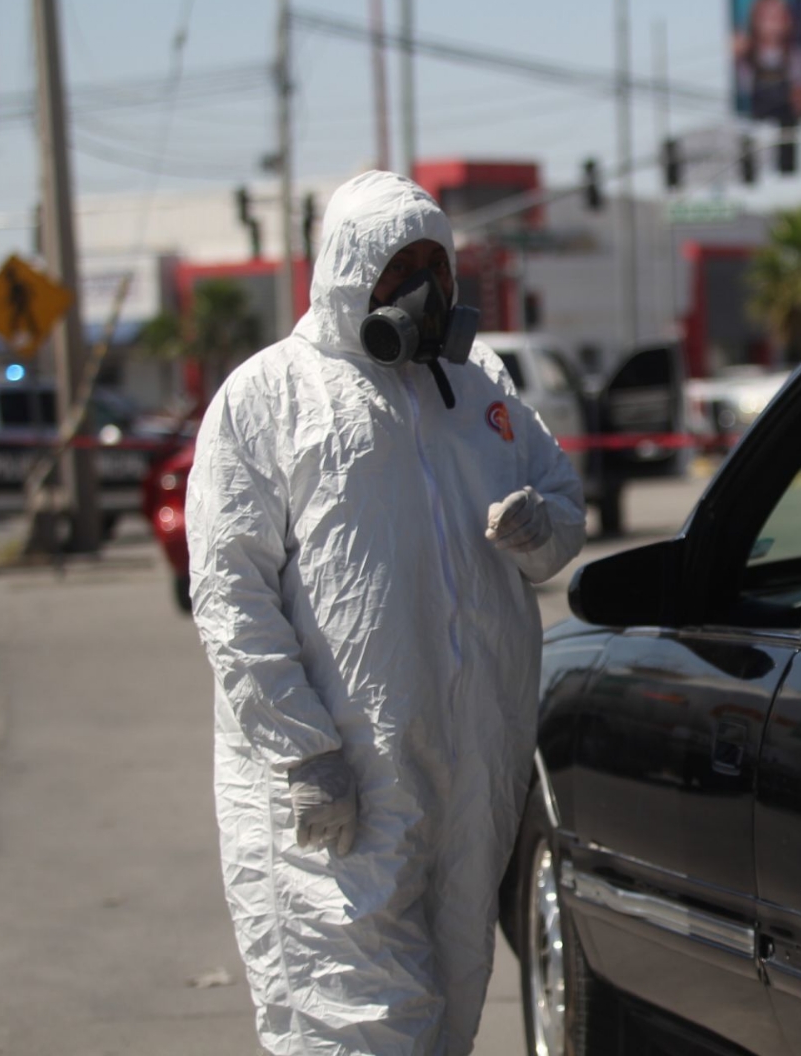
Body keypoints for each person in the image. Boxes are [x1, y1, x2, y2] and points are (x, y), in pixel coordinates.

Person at [185, 170, 585, 1055]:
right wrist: (304, 752)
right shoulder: (268, 399)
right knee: (359, 1026)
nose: (425, 290)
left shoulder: (478, 390)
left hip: (464, 782)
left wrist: (538, 526)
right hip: (343, 795)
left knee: (446, 1014)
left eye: (435, 267)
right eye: (399, 265)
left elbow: (563, 511)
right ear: (346, 272)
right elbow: (230, 594)